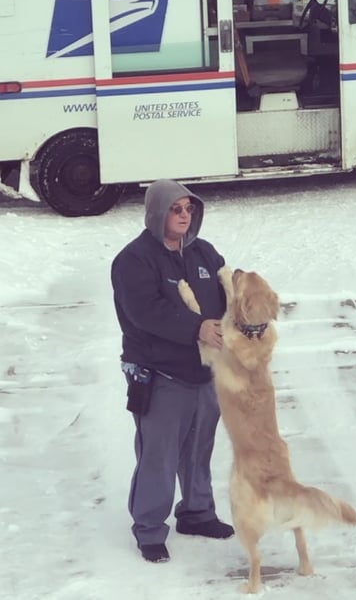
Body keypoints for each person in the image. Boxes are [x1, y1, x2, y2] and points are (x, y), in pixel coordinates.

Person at [111, 179, 234, 563]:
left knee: (199, 447)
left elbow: (228, 292)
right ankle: (149, 529)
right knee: (159, 454)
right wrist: (197, 328)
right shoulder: (134, 260)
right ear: (157, 213)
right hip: (158, 372)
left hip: (203, 369)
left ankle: (197, 513)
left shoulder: (203, 252)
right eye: (175, 209)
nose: (184, 216)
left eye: (189, 209)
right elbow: (145, 312)